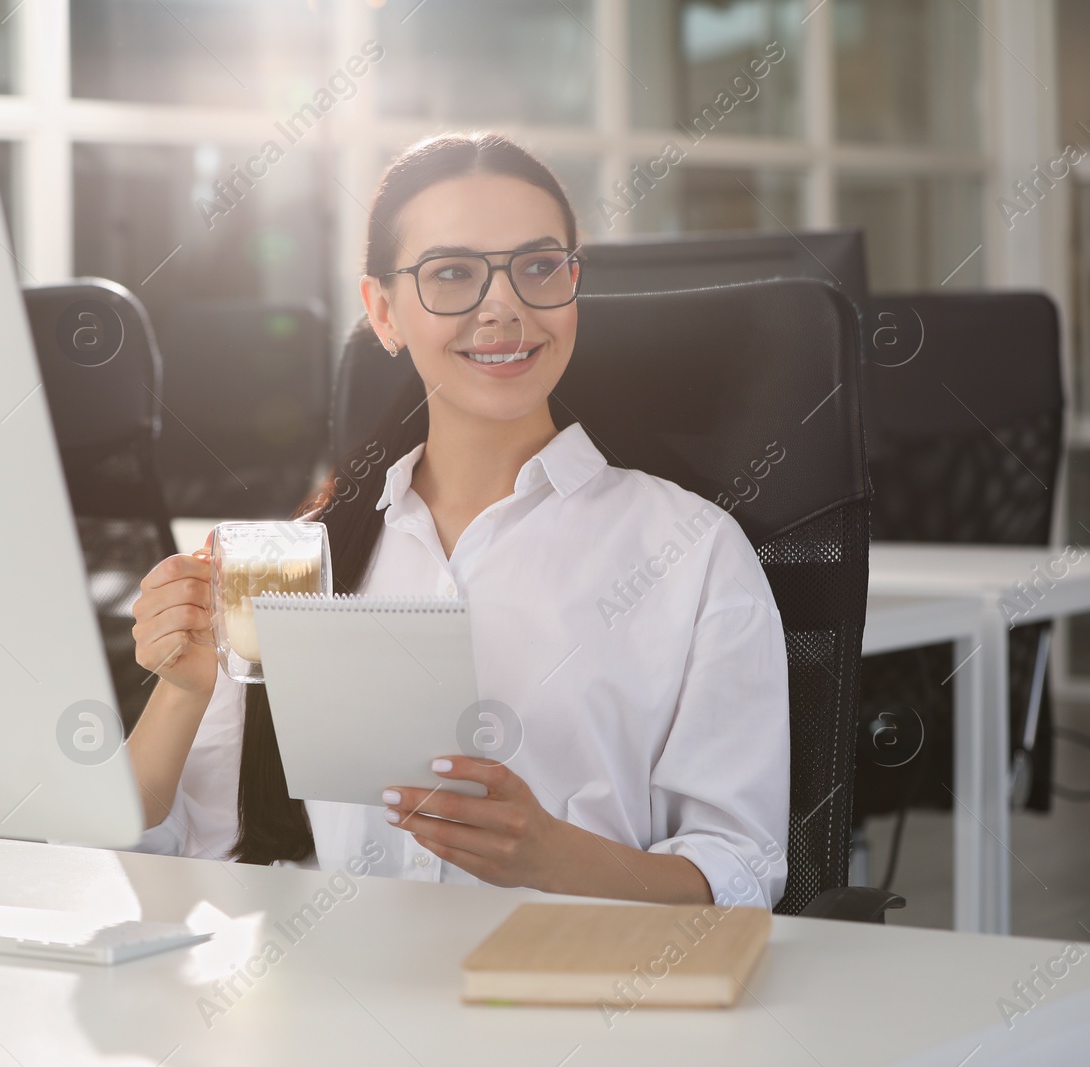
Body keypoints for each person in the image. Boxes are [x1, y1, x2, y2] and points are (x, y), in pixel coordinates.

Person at [126, 131, 790, 910]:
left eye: (539, 267)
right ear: (384, 311)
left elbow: (742, 875)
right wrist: (180, 689)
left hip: (572, 1009)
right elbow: (168, 850)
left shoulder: (691, 551)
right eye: (452, 274)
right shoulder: (302, 556)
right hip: (329, 1002)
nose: (502, 307)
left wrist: (551, 856)